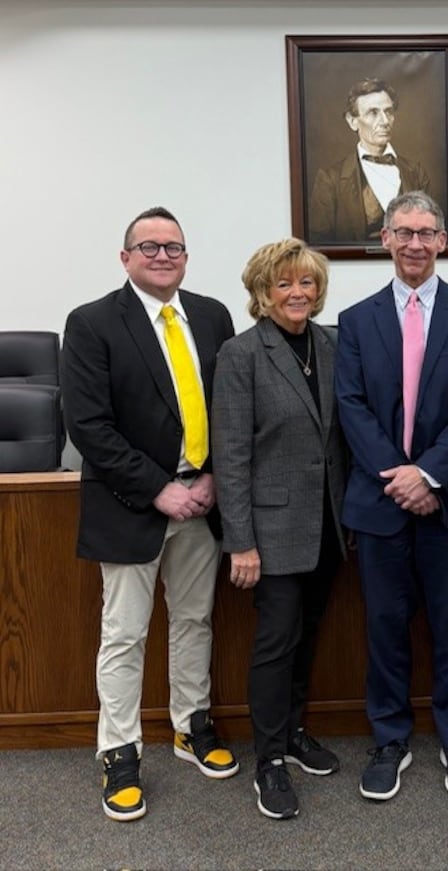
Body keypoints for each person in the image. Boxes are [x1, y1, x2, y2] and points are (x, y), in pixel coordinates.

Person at [61, 206, 239, 823]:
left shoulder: (213, 316)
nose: (163, 256)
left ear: (186, 257)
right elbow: (89, 426)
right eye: (149, 247)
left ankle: (191, 726)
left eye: (173, 247)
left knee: (194, 620)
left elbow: (230, 406)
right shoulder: (91, 323)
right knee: (124, 633)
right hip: (131, 503)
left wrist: (213, 474)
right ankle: (119, 751)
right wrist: (159, 488)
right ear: (125, 257)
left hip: (202, 501)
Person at [335, 191, 448, 801]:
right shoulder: (355, 320)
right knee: (384, 625)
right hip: (380, 501)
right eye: (403, 232)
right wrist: (401, 478)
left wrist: (427, 474)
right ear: (385, 239)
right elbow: (351, 406)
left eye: (426, 233)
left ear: (442, 241)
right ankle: (389, 739)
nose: (414, 243)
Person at [211, 238, 348, 820]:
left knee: (308, 634)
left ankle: (293, 732)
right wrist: (240, 542)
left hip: (327, 526)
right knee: (275, 643)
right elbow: (230, 456)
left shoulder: (331, 345)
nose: (297, 293)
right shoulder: (240, 355)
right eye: (284, 283)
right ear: (262, 293)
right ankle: (268, 759)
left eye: (306, 282)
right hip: (270, 531)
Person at [308, 77, 431, 244]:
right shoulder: (330, 180)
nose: (385, 121)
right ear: (353, 121)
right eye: (373, 113)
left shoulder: (416, 173)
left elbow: (428, 234)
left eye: (388, 112)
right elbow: (319, 245)